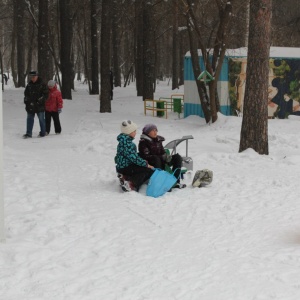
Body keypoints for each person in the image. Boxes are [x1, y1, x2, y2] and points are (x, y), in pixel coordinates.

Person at [138, 124, 186, 189]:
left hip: (161, 161)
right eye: (153, 130)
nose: (155, 132)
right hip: (151, 164)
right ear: (148, 132)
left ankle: (175, 181)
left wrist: (166, 156)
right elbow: (146, 156)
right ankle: (161, 183)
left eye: (156, 130)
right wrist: (161, 157)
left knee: (177, 157)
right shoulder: (143, 142)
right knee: (156, 159)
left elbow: (162, 152)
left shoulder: (158, 141)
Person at [115, 120, 154, 192]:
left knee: (140, 167)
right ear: (129, 132)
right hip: (125, 167)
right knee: (147, 171)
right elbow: (133, 158)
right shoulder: (127, 143)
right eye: (134, 131)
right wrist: (146, 164)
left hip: (123, 166)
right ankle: (130, 184)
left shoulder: (123, 141)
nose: (135, 133)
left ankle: (125, 177)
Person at [23, 71, 48, 138]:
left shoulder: (42, 84)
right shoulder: (29, 85)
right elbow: (26, 94)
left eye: (34, 77)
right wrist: (26, 101)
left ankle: (43, 132)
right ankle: (28, 133)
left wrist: (40, 100)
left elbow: (46, 95)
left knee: (41, 119)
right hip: (30, 105)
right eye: (31, 77)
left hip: (39, 105)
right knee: (29, 119)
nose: (32, 78)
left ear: (37, 76)